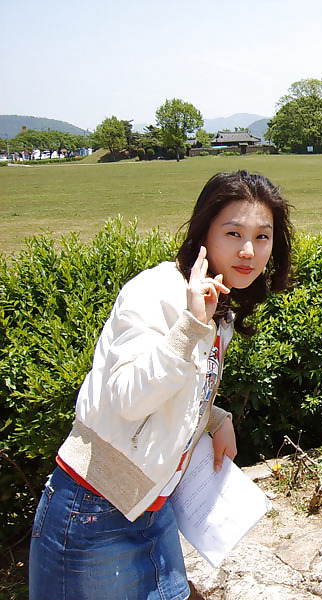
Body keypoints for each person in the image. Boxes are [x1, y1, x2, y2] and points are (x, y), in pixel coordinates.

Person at [28, 170, 294, 600]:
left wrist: (214, 417)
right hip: (93, 509)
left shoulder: (215, 305)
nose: (249, 250)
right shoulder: (156, 293)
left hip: (152, 507)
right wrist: (190, 326)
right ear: (204, 232)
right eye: (233, 232)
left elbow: (181, 388)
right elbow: (130, 397)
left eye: (263, 237)